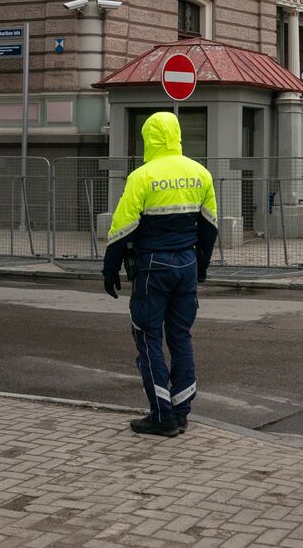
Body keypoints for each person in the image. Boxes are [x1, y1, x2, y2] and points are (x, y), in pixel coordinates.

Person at [102, 112, 218, 438]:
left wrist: (110, 270)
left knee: (148, 336)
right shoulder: (200, 174)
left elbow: (122, 229)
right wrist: (202, 267)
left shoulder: (142, 177)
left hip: (153, 266)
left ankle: (161, 415)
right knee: (180, 336)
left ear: (148, 138)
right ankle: (181, 411)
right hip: (186, 266)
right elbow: (209, 228)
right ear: (177, 135)